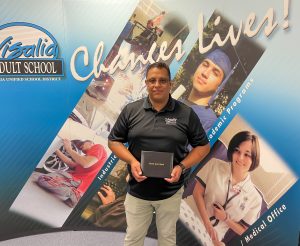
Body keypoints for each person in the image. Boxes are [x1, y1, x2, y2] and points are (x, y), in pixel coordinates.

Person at [108, 62, 210, 246]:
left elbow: (203, 147)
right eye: (152, 80)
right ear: (146, 83)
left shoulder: (186, 113)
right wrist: (132, 161)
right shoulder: (131, 110)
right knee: (133, 239)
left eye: (162, 80)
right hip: (138, 191)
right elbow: (114, 141)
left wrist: (181, 166)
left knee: (167, 239)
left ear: (170, 84)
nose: (157, 85)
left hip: (170, 193)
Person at [192, 131, 262, 245]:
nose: (240, 157)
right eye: (237, 151)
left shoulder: (255, 199)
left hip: (213, 238)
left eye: (247, 154)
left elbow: (244, 231)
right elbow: (197, 193)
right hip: (191, 214)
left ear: (254, 159)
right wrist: (207, 226)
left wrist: (226, 219)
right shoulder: (214, 164)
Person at [37, 139, 107, 207]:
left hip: (79, 181)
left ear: (91, 143)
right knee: (68, 202)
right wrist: (56, 149)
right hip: (79, 183)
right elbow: (71, 164)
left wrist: (69, 149)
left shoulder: (98, 147)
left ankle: (76, 194)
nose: (80, 147)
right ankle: (76, 196)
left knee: (44, 179)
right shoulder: (84, 157)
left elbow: (86, 163)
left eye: (83, 143)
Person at [185, 49, 232, 133]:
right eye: (205, 65)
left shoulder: (209, 124)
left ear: (220, 87)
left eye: (215, 73)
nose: (205, 73)